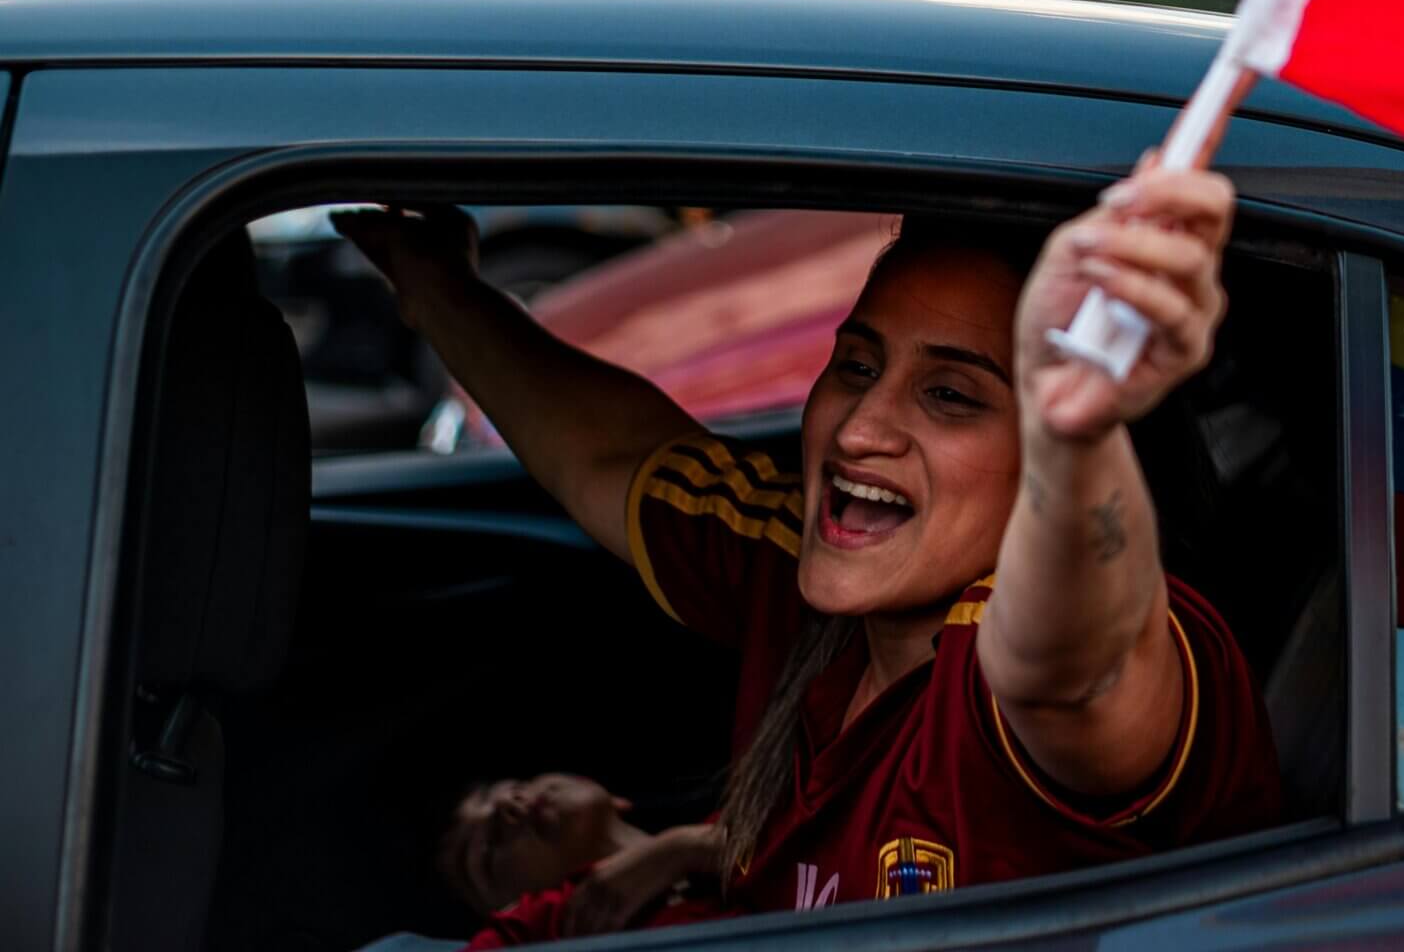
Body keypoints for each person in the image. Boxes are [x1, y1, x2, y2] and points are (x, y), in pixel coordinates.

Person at [334, 165, 1282, 924]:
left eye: (951, 395)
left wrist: (1078, 438)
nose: (861, 427)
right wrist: (435, 287)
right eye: (858, 364)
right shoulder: (807, 563)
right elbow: (615, 457)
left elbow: (1072, 663)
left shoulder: (1062, 648)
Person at [438, 772, 727, 945]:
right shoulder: (538, 931)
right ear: (507, 909)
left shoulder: (743, 826)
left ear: (614, 797)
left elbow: (758, 864)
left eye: (517, 785)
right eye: (488, 849)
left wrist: (688, 848)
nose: (506, 803)